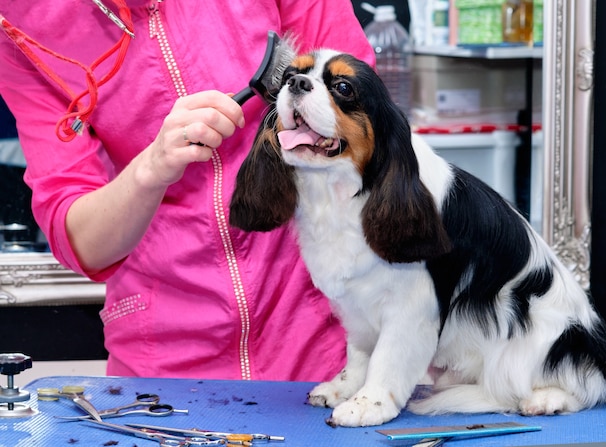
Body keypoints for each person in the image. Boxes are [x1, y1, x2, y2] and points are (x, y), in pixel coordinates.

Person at [0, 1, 375, 379]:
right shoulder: (20, 22)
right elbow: (82, 243)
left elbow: (365, 115)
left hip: (325, 333)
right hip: (163, 370)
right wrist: (151, 169)